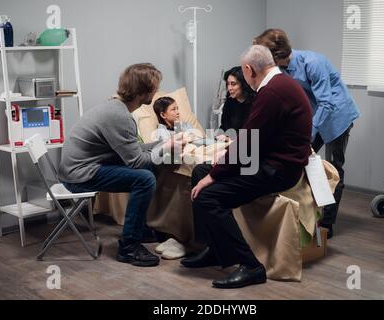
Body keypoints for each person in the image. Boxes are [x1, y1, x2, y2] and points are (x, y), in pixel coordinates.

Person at [180, 45, 312, 289]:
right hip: (269, 159)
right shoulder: (281, 83)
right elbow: (251, 140)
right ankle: (215, 249)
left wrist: (215, 175)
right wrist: (213, 170)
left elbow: (247, 143)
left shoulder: (272, 92)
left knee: (208, 196)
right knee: (200, 170)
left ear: (249, 70)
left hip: (279, 169)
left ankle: (250, 266)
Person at [58, 63, 185, 267]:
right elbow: (137, 161)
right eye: (154, 87)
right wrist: (167, 146)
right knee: (145, 178)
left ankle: (140, 229)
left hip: (83, 166)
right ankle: (129, 247)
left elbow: (135, 148)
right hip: (78, 176)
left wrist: (165, 142)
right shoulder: (119, 116)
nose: (157, 91)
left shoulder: (116, 107)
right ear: (142, 91)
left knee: (148, 170)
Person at [253, 28, 360, 238]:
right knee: (302, 160)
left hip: (337, 116)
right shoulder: (280, 70)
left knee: (334, 169)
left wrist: (306, 134)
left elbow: (326, 103)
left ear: (276, 54)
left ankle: (327, 224)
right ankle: (306, 213)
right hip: (316, 115)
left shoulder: (313, 63)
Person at [216, 66, 255, 140]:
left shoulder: (255, 104)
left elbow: (253, 134)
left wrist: (230, 138)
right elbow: (223, 126)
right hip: (229, 145)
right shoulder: (230, 102)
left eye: (233, 84)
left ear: (244, 84)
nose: (229, 88)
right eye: (228, 84)